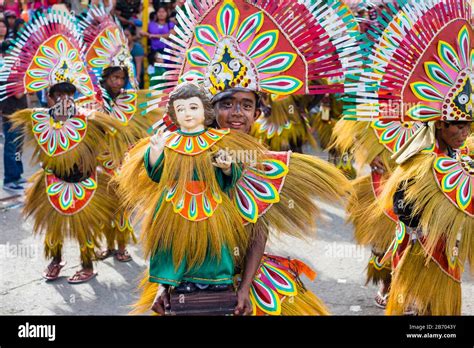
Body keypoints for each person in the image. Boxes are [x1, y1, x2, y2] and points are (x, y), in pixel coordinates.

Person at [124, 0, 362, 316]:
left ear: (256, 112)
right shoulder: (185, 152)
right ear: (210, 109)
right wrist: (164, 286)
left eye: (246, 105)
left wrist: (245, 289)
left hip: (239, 278)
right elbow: (166, 226)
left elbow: (258, 233)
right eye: (227, 104)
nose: (237, 113)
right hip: (185, 277)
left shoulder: (261, 161)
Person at [343, 0, 473, 315]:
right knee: (388, 226)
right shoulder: (380, 69)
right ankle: (391, 285)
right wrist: (367, 148)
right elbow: (360, 110)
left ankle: (424, 299)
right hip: (394, 158)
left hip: (430, 157)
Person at [0, 10, 123, 284]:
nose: (65, 99)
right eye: (59, 94)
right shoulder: (38, 120)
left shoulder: (89, 120)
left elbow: (110, 137)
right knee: (52, 230)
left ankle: (88, 265)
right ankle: (55, 261)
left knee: (84, 229)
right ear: (50, 96)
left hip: (84, 183)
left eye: (70, 93)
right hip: (53, 182)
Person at [0, 41, 26, 193]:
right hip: (12, 115)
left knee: (18, 147)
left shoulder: (14, 71)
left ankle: (17, 174)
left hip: (19, 113)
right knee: (12, 147)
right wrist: (26, 82)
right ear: (5, 55)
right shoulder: (8, 72)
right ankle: (10, 179)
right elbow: (19, 93)